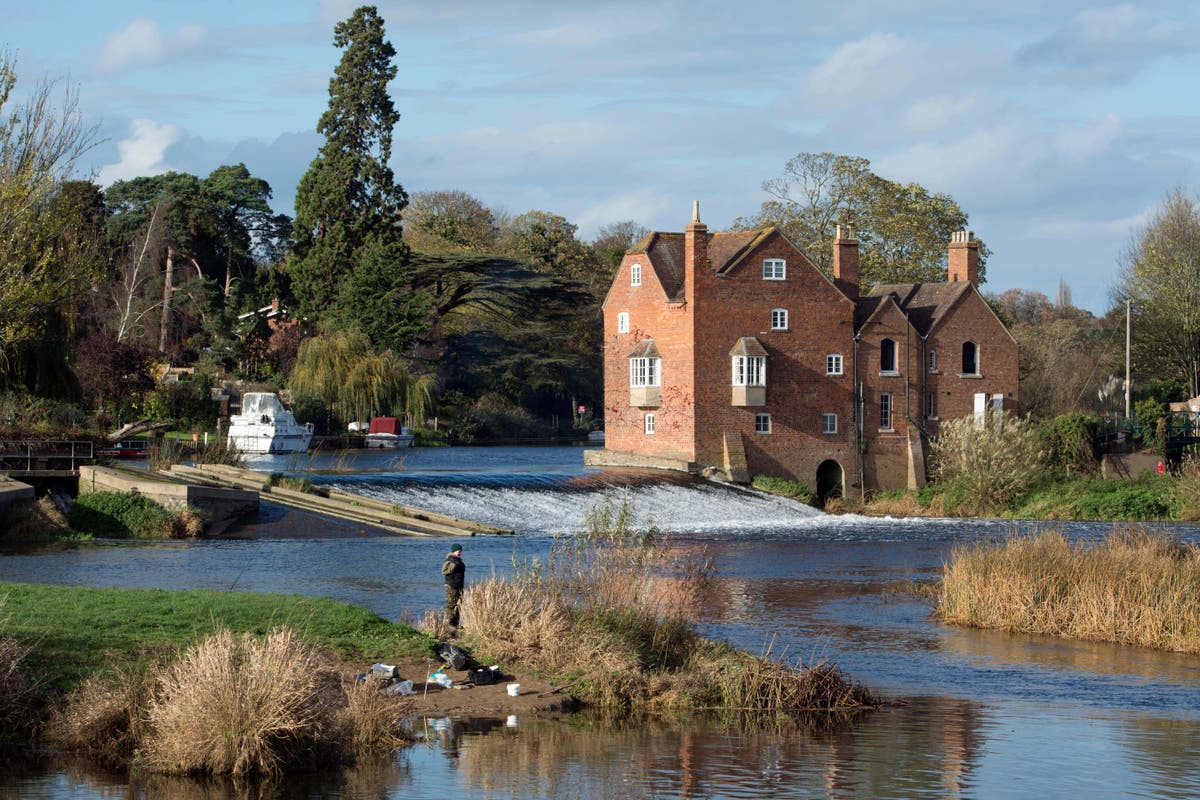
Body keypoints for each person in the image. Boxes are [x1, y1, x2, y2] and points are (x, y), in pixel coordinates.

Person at [441, 544, 465, 630]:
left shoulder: (458, 560)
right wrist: (454, 565)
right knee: (451, 605)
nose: (459, 552)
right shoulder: (450, 560)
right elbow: (444, 571)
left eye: (460, 550)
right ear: (453, 551)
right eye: (458, 550)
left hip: (459, 586)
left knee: (459, 605)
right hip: (451, 586)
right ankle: (448, 625)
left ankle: (455, 624)